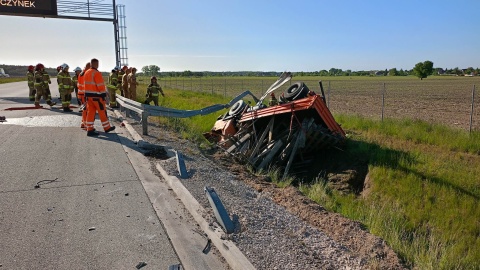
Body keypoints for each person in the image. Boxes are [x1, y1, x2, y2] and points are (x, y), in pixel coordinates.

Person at [84, 58, 115, 136]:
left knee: (90, 113)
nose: (98, 65)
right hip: (97, 97)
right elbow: (100, 85)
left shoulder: (86, 72)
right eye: (98, 64)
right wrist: (104, 94)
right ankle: (107, 128)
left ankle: (89, 129)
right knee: (102, 112)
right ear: (96, 64)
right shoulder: (96, 73)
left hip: (88, 96)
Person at [77, 62, 90, 129]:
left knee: (84, 110)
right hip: (85, 95)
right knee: (86, 110)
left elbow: (78, 85)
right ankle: (85, 124)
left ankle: (83, 123)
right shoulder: (86, 74)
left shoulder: (81, 73)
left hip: (81, 94)